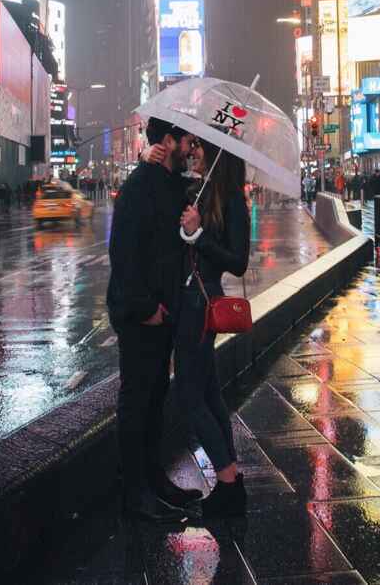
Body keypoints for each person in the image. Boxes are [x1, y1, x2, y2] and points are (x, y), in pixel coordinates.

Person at [106, 117, 196, 523]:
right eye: (185, 141)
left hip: (165, 313)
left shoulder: (168, 183)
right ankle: (134, 492)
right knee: (137, 402)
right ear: (168, 141)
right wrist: (144, 309)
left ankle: (154, 479)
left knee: (156, 398)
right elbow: (123, 254)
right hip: (141, 315)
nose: (190, 147)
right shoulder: (139, 186)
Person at [177, 139, 250, 518]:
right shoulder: (203, 193)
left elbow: (238, 261)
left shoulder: (233, 200)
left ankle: (224, 478)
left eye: (200, 149)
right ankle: (231, 480)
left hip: (201, 304)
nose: (195, 153)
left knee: (189, 397)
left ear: (217, 154)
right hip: (190, 301)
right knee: (209, 393)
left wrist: (197, 234)